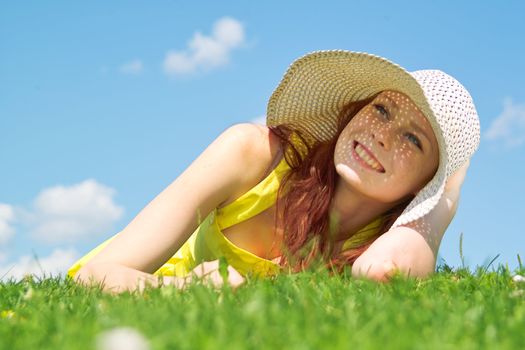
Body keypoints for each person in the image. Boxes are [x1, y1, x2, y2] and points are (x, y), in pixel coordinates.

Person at [69, 50, 480, 294]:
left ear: (424, 186)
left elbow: (378, 274)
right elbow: (93, 276)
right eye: (381, 109)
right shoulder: (250, 153)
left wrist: (442, 203)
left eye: (414, 140)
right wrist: (181, 289)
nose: (382, 136)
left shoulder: (385, 247)